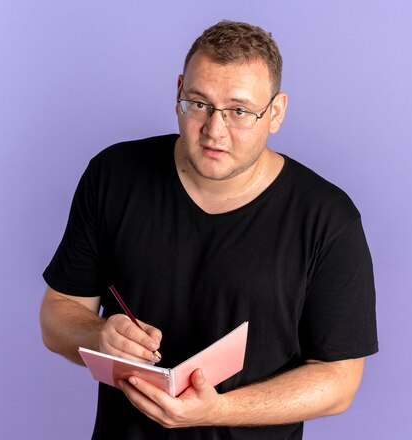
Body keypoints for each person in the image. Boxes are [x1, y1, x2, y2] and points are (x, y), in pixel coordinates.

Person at [40, 19, 378, 440]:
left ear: (275, 112)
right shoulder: (113, 176)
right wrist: (98, 336)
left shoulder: (328, 218)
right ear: (178, 89)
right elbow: (57, 315)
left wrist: (218, 410)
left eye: (239, 111)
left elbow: (340, 381)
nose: (214, 130)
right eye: (198, 103)